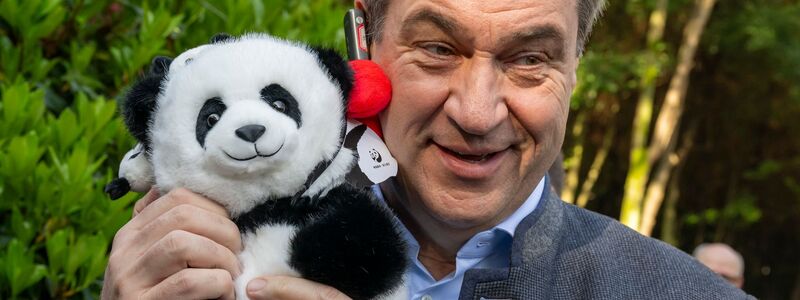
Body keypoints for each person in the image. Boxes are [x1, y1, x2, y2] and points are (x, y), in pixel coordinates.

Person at [102, 0, 753, 299]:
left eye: (530, 59)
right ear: (364, 39)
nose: (476, 112)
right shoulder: (201, 242)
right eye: (438, 49)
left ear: (577, 66)